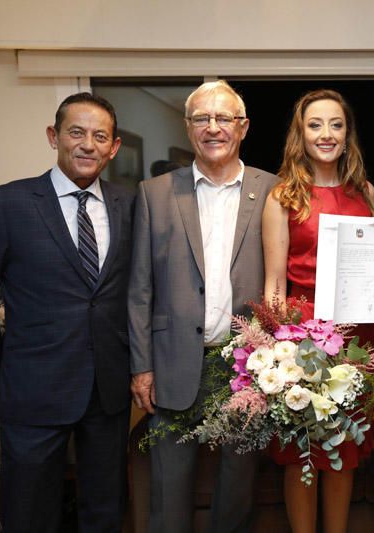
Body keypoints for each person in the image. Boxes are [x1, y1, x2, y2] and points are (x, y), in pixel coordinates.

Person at [0, 92, 132, 532]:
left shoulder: (131, 205)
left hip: (107, 390)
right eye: (76, 132)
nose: (88, 144)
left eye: (99, 136)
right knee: (29, 512)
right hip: (33, 388)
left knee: (105, 511)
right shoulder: (7, 205)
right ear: (54, 137)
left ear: (115, 146)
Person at [128, 80, 278, 533]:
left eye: (224, 118)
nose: (213, 128)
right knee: (167, 494)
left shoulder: (273, 191)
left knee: (237, 490)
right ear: (189, 127)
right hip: (172, 363)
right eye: (201, 118)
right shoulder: (155, 192)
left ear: (243, 127)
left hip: (246, 367)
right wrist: (141, 367)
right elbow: (139, 288)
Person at [261, 88, 374, 533]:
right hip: (302, 341)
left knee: (343, 449)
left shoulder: (366, 192)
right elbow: (275, 283)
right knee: (302, 452)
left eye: (335, 125)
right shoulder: (283, 197)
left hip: (357, 338)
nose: (326, 134)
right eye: (315, 124)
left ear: (347, 134)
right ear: (300, 134)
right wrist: (280, 352)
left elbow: (373, 267)